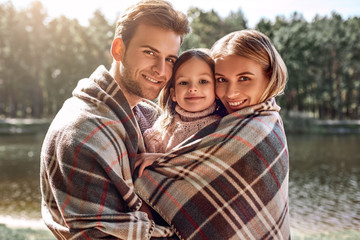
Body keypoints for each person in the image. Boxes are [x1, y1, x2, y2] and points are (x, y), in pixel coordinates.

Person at [40, 0, 189, 239]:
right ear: (118, 49)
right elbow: (101, 235)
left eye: (170, 59)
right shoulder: (82, 131)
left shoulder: (148, 115)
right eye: (150, 52)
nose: (161, 70)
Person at [134, 29, 290, 239]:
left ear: (269, 75)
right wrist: (165, 164)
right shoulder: (225, 119)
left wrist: (167, 162)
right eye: (222, 80)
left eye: (244, 78)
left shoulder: (263, 128)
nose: (231, 92)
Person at [135, 49, 221, 177]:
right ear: (174, 94)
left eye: (203, 81)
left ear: (217, 89)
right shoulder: (162, 128)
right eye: (184, 83)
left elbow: (210, 168)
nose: (192, 88)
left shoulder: (222, 126)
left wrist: (160, 159)